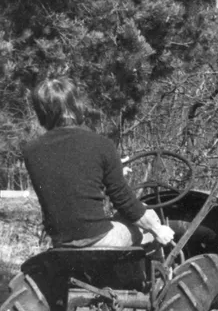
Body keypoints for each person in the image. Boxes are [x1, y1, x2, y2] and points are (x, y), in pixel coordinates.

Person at [21, 77, 175, 249]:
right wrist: (158, 229)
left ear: (41, 111)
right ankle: (143, 275)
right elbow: (125, 202)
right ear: (76, 105)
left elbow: (67, 184)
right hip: (97, 238)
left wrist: (108, 170)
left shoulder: (31, 151)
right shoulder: (101, 145)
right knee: (148, 216)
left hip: (60, 241)